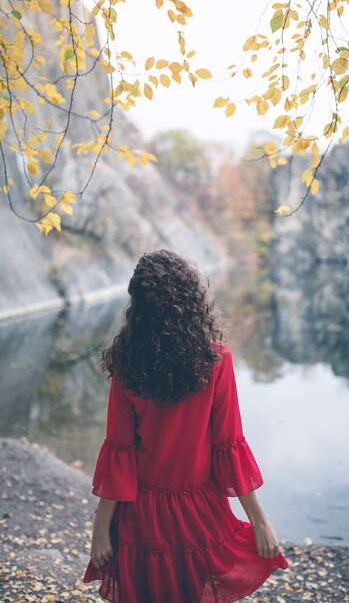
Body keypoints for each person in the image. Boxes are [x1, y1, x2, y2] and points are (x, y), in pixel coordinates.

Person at [82, 248, 289, 603]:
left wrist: (101, 531)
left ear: (138, 308)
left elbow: (121, 452)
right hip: (200, 512)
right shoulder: (216, 359)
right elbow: (229, 444)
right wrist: (259, 521)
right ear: (193, 300)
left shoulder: (126, 362)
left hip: (141, 514)